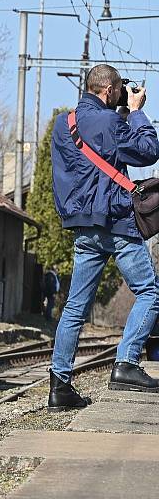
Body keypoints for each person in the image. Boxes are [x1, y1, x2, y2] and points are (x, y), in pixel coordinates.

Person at [50, 63, 159, 409]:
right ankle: (126, 363)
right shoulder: (113, 121)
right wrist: (137, 113)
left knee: (75, 306)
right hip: (115, 223)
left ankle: (59, 385)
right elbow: (148, 151)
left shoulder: (63, 125)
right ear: (110, 91)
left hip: (83, 225)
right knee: (149, 291)